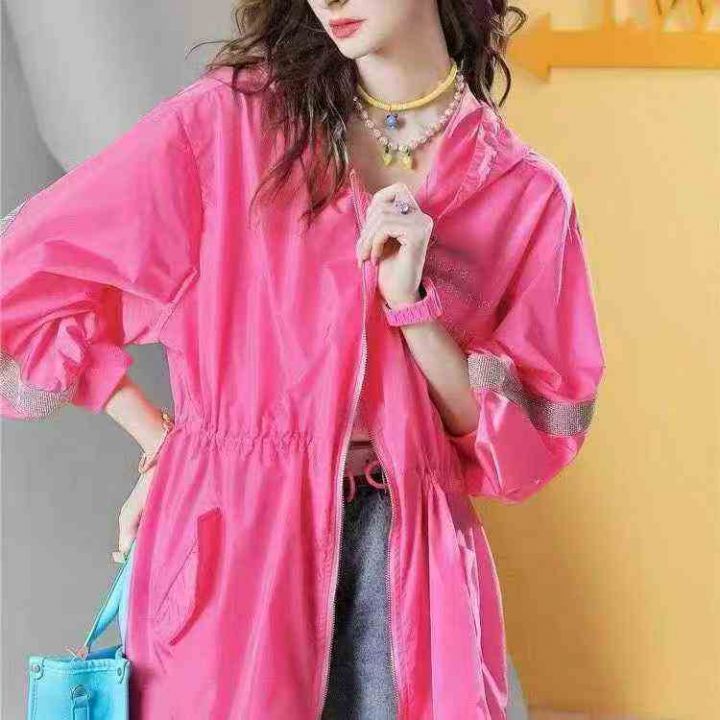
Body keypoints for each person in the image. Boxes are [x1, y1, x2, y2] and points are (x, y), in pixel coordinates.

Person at [0, 0, 606, 717]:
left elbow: (521, 446)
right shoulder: (230, 128)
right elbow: (23, 281)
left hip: (406, 558)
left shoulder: (522, 192)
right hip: (234, 547)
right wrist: (162, 439)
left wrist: (412, 306)